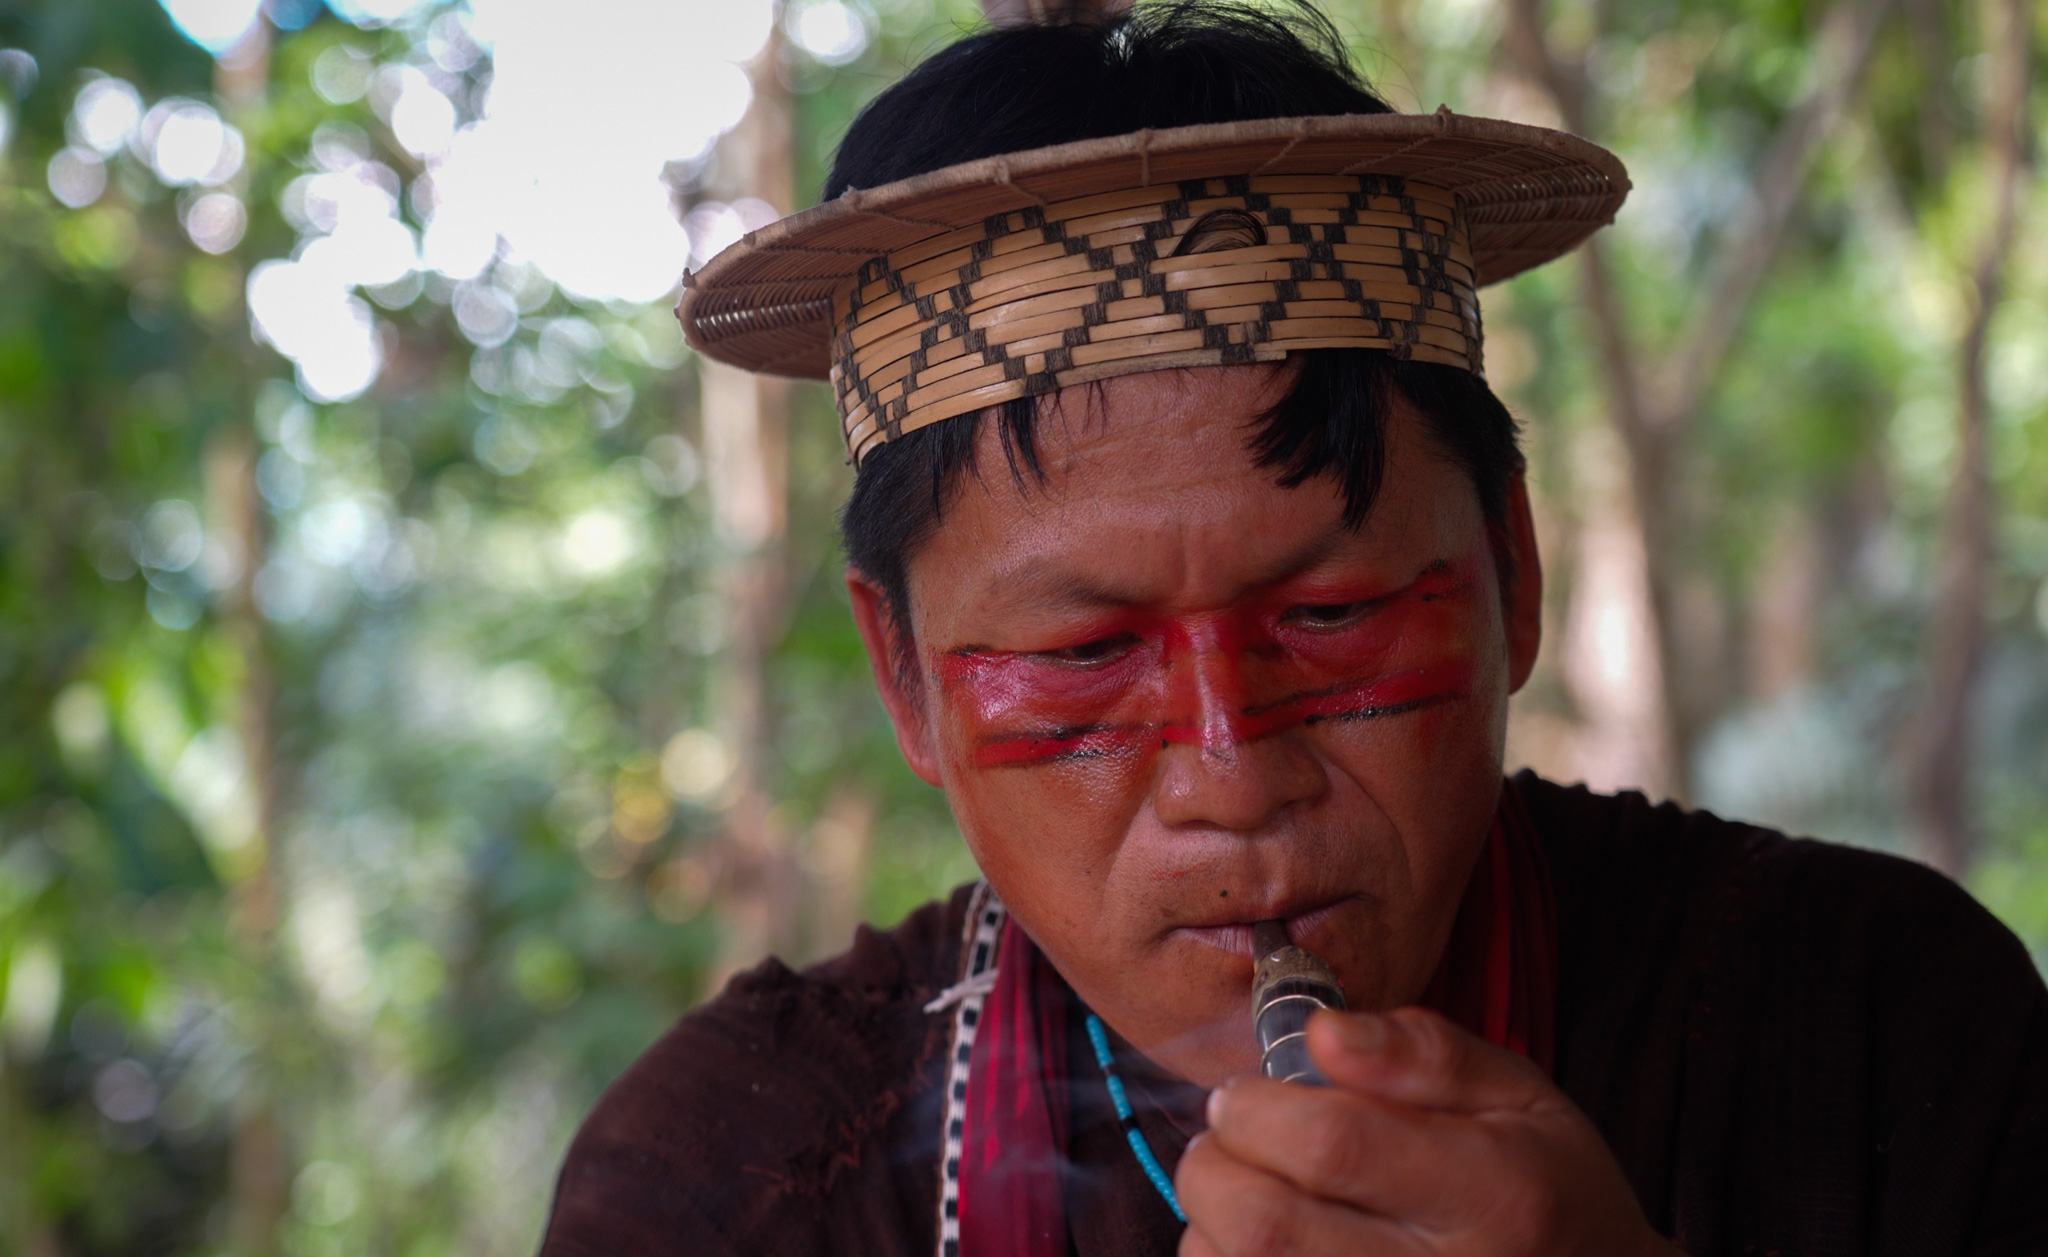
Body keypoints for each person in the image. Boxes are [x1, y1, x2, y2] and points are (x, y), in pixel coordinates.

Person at [539, 5, 2048, 1254]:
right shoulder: (728, 1186)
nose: (1231, 767)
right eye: (1081, 657)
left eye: (1332, 616)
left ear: (1512, 575)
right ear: (909, 681)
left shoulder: (1879, 1036)